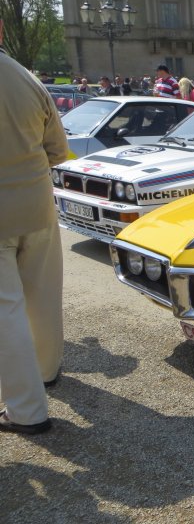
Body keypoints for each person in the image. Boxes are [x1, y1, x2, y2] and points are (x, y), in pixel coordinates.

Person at [0, 32, 69, 434]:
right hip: (37, 205)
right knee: (43, 295)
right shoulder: (28, 78)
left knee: (6, 313)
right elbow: (58, 150)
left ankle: (27, 409)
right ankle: (45, 372)